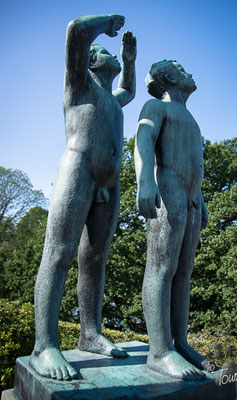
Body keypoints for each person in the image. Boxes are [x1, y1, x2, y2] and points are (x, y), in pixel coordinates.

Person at [29, 14, 136, 381]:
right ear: (91, 61)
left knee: (96, 258)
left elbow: (130, 92)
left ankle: (90, 333)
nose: (112, 57)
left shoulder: (112, 99)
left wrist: (131, 61)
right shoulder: (79, 84)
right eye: (105, 52)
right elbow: (75, 31)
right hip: (77, 169)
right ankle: (44, 345)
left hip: (109, 181)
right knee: (59, 253)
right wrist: (105, 24)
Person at [134, 60, 208, 381]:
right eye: (180, 67)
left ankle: (180, 342)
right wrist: (145, 181)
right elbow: (144, 139)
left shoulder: (189, 117)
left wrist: (201, 198)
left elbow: (193, 160)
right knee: (162, 267)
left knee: (184, 271)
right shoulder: (155, 105)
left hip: (191, 197)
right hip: (168, 189)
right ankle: (160, 351)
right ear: (169, 78)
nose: (188, 71)